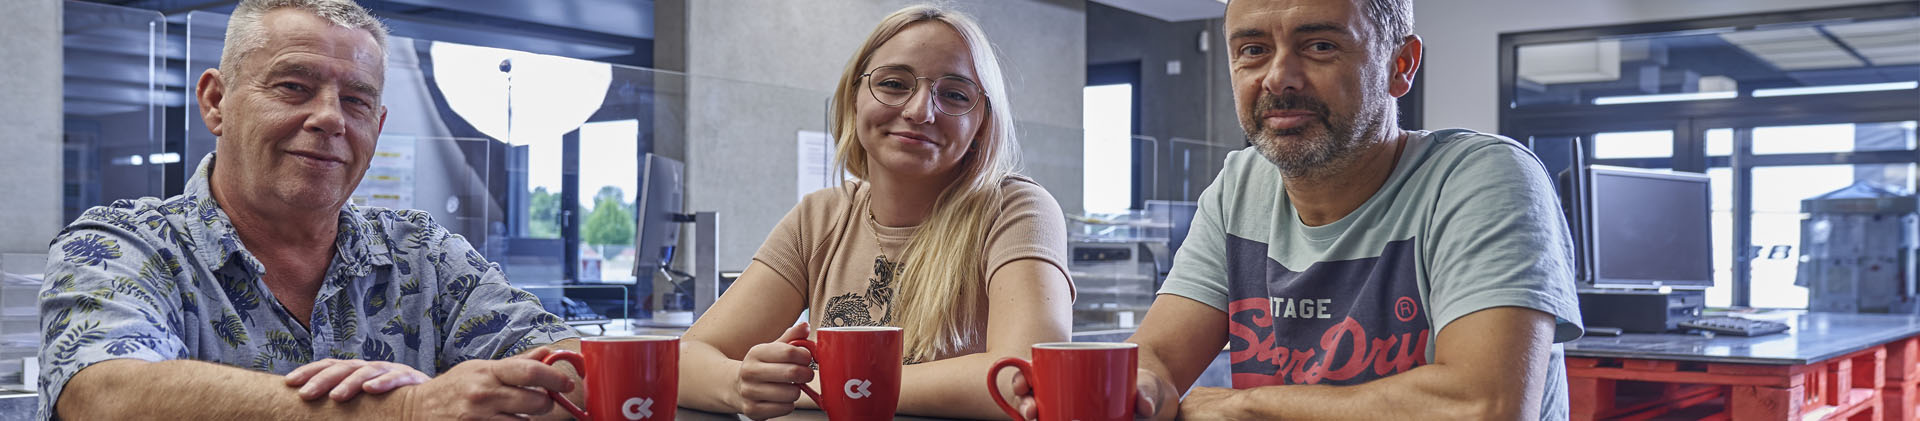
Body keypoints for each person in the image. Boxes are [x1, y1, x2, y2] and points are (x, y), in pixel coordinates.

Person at [1011, 0, 1586, 419]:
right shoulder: (1241, 184)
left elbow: (1481, 405)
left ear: (1401, 64)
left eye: (1320, 45)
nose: (1278, 79)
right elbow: (1157, 359)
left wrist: (1243, 407)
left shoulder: (1482, 176)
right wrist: (1137, 392)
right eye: (1253, 50)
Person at [38, 1, 584, 419]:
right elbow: (102, 394)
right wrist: (403, 409)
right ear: (215, 102)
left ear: (378, 124)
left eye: (356, 101)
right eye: (293, 87)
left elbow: (569, 368)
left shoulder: (423, 254)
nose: (330, 119)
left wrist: (666, 362)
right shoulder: (121, 245)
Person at [674, 4, 1074, 420]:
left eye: (955, 94)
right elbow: (685, 359)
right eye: (894, 83)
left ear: (982, 122)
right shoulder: (821, 217)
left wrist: (822, 382)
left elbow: (1028, 376)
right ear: (854, 98)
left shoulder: (1016, 209)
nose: (920, 111)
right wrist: (739, 384)